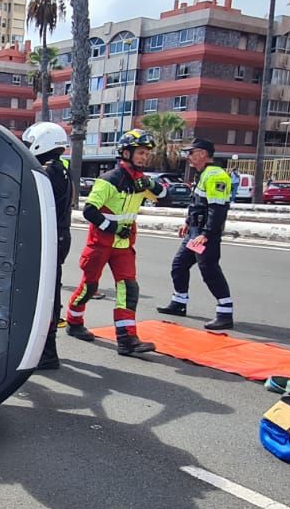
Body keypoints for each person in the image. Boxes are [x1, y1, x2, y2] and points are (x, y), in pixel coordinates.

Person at [64, 129, 167, 356]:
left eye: (146, 154)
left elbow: (161, 195)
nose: (144, 157)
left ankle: (127, 339)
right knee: (89, 287)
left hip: (124, 246)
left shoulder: (141, 182)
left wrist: (148, 182)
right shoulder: (108, 180)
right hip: (100, 243)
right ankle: (73, 321)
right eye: (140, 153)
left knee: (129, 289)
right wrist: (112, 227)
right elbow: (89, 211)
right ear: (126, 153)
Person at [158, 139, 234, 330]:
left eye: (191, 153)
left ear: (202, 153)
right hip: (195, 231)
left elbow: (217, 209)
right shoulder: (203, 174)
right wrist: (187, 222)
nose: (188, 156)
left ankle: (225, 312)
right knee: (179, 265)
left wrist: (206, 234)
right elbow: (198, 204)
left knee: (210, 270)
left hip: (204, 234)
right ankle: (179, 303)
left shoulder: (216, 175)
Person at [21, 121, 74, 371]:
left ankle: (48, 351)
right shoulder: (61, 168)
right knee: (49, 290)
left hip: (51, 237)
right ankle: (46, 348)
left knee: (45, 294)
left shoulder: (49, 171)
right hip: (60, 236)